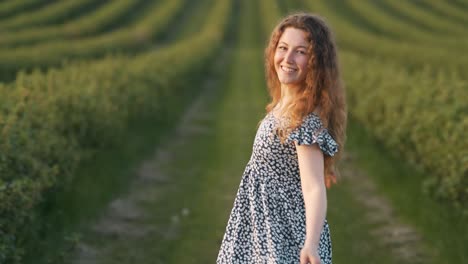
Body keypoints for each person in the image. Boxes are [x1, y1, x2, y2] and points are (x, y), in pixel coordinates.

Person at [217, 13, 347, 264]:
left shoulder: (304, 117)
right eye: (283, 48)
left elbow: (313, 187)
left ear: (315, 62)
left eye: (300, 52)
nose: (287, 59)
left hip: (283, 235)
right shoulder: (284, 107)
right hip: (261, 227)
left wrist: (310, 243)